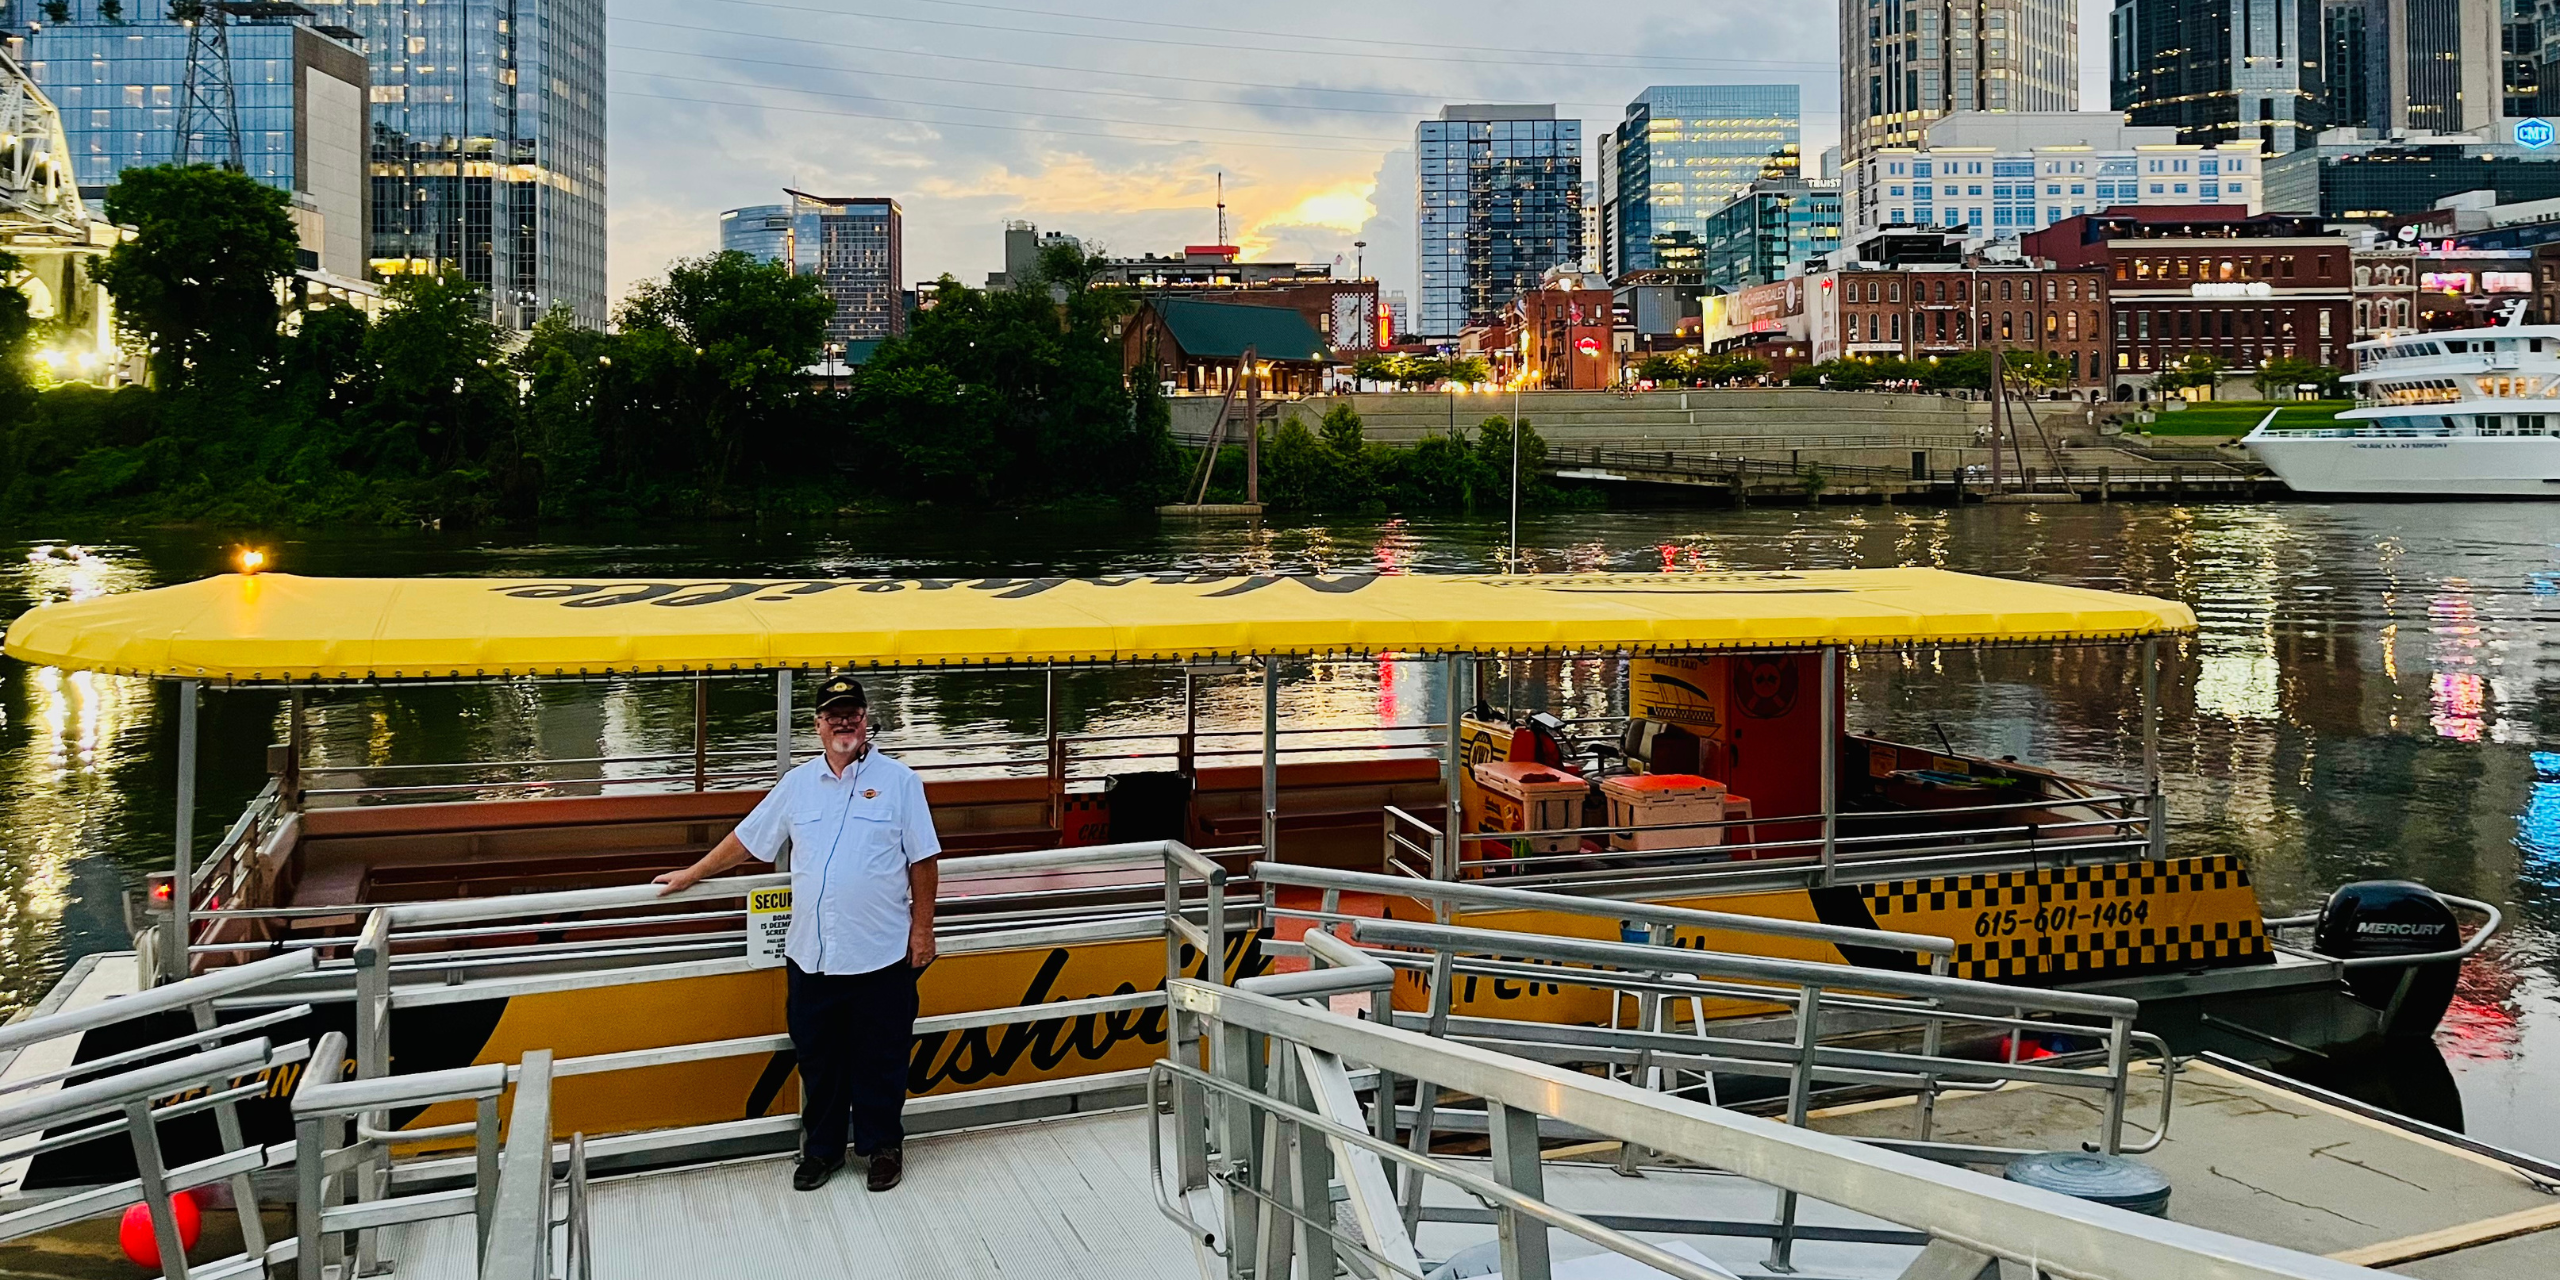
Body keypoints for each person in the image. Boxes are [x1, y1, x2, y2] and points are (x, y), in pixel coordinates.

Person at [654, 673, 940, 1193]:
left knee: (882, 1058)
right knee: (819, 1060)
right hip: (812, 955)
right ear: (818, 725)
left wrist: (923, 930)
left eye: (852, 713)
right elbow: (748, 839)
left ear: (865, 719)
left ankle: (882, 1147)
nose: (844, 723)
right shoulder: (798, 784)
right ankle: (823, 1151)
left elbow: (923, 860)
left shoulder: (901, 782)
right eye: (834, 715)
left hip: (880, 953)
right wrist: (691, 874)